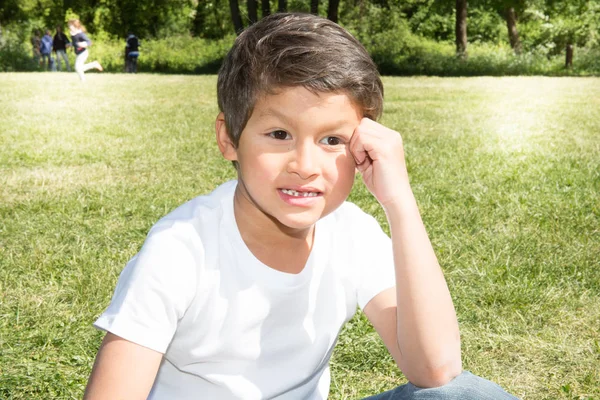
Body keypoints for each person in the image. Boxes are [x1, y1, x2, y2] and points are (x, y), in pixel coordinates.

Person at [83, 13, 519, 400]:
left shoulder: (350, 233)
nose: (305, 166)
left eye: (332, 140)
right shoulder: (181, 249)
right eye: (279, 135)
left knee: (467, 394)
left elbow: (435, 370)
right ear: (228, 138)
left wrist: (399, 202)